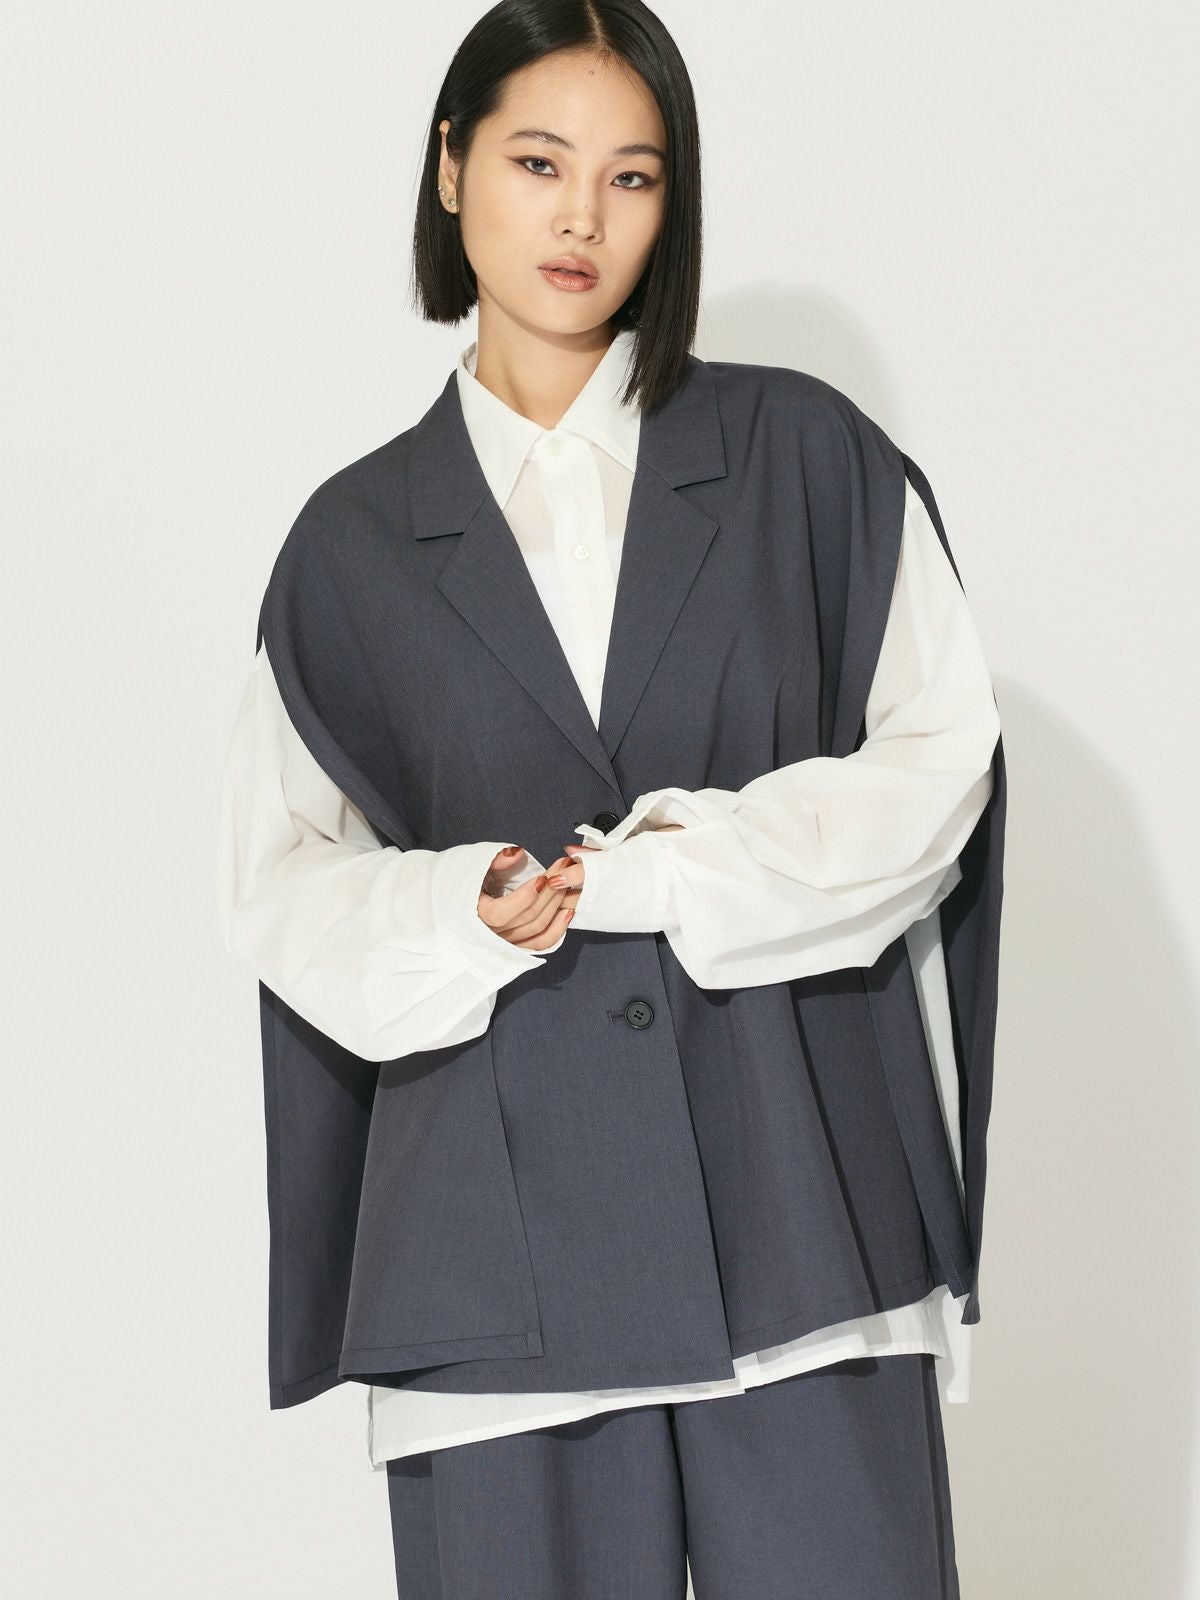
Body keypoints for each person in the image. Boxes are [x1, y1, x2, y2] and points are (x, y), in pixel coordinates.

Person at [218, 2, 1006, 1595]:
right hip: (493, 1289)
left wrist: (672, 873)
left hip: (806, 1238)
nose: (581, 217)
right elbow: (282, 887)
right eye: (538, 163)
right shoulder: (348, 548)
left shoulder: (812, 463)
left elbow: (941, 765)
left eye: (632, 177)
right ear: (452, 169)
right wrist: (457, 907)